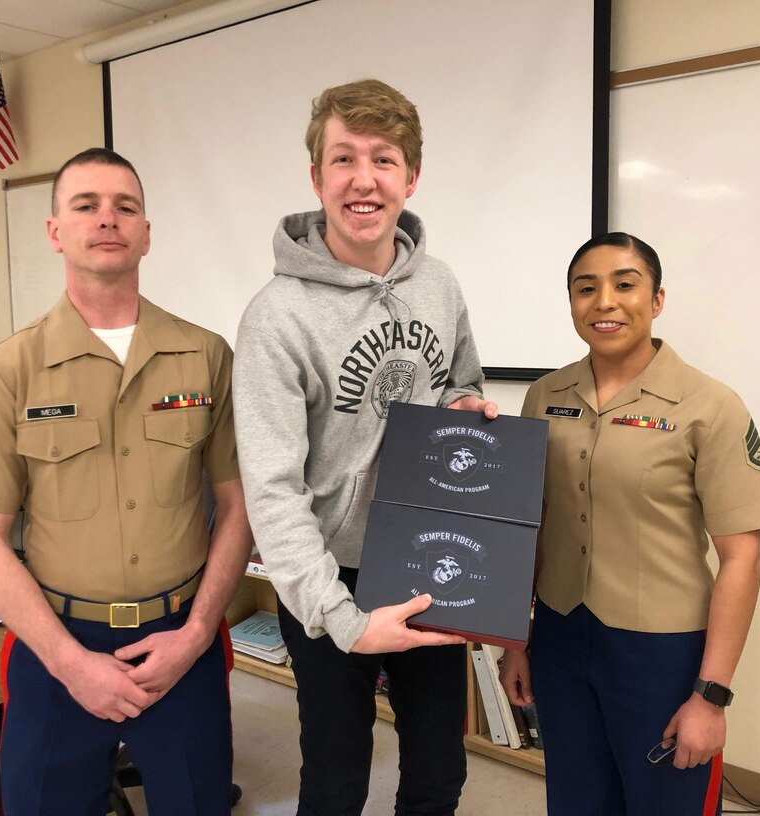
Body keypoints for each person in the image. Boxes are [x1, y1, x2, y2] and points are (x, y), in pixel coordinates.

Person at [0, 147, 252, 816]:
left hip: (181, 641)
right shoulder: (5, 370)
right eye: (86, 205)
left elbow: (237, 505)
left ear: (146, 232)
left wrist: (194, 637)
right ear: (55, 231)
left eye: (125, 206)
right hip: (57, 646)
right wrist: (72, 664)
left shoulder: (205, 356)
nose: (108, 219)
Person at [232, 79, 498, 816]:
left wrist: (462, 406)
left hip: (425, 556)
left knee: (440, 772)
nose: (363, 178)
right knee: (338, 779)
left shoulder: (438, 285)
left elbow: (457, 381)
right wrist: (343, 619)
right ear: (316, 177)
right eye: (343, 158)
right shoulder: (276, 317)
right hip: (328, 575)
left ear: (410, 178)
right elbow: (272, 489)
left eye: (383, 159)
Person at [499, 232, 760, 816]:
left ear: (656, 300)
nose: (604, 301)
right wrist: (516, 642)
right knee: (576, 799)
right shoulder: (544, 395)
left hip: (662, 652)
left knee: (666, 803)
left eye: (625, 284)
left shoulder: (710, 405)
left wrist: (711, 697)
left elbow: (742, 559)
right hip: (560, 636)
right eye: (586, 288)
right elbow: (534, 524)